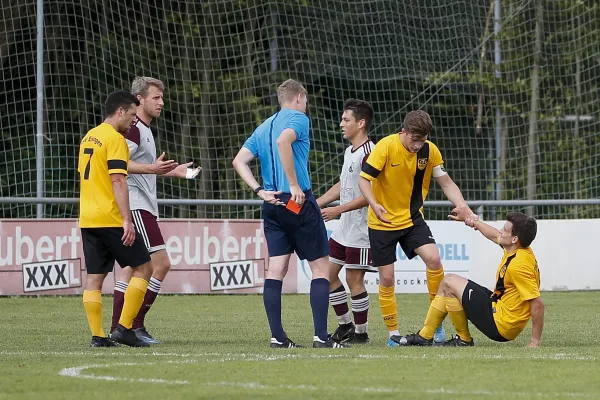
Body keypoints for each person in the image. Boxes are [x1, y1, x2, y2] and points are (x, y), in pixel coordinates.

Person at [232, 79, 345, 349]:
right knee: (320, 269)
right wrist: (294, 185)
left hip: (272, 203)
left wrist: (259, 190)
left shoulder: (264, 126)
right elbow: (285, 141)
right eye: (305, 101)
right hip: (297, 201)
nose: (306, 106)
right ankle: (320, 336)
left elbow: (239, 160)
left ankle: (278, 338)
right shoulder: (298, 118)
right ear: (299, 98)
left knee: (276, 269)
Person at [358, 110, 474, 346]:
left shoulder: (429, 150)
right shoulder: (385, 146)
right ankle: (393, 334)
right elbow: (364, 180)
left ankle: (436, 324)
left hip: (412, 219)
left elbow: (446, 182)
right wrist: (374, 204)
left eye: (422, 140)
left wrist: (463, 207)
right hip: (382, 222)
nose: (417, 145)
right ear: (404, 132)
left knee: (434, 260)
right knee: (387, 278)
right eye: (414, 140)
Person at [110, 77, 201, 344]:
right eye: (156, 98)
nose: (161, 102)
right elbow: (117, 162)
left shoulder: (142, 129)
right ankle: (134, 326)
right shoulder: (134, 129)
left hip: (140, 204)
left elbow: (143, 165)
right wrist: (151, 169)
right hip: (136, 205)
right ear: (139, 99)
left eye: (162, 97)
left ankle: (119, 327)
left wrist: (176, 171)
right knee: (160, 264)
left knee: (130, 270)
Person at [400, 210, 545, 347]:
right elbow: (495, 235)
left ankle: (452, 339)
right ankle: (427, 336)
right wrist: (472, 221)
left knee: (449, 282)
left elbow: (538, 304)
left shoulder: (519, 265)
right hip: (497, 307)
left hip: (501, 324)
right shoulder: (519, 249)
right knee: (449, 286)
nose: (500, 230)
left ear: (514, 239)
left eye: (505, 229)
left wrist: (534, 341)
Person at [78, 91, 153, 348]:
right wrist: (127, 220)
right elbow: (118, 180)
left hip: (88, 218)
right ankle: (123, 328)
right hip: (110, 217)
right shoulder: (115, 139)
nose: (134, 120)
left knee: (95, 278)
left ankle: (98, 336)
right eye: (132, 115)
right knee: (145, 268)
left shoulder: (90, 136)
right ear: (120, 111)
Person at [316, 99, 375, 344]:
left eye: (346, 120)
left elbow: (370, 195)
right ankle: (345, 326)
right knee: (327, 275)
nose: (341, 124)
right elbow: (344, 185)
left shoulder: (370, 153)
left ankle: (361, 334)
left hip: (362, 229)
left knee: (354, 280)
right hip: (344, 227)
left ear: (361, 123)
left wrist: (338, 209)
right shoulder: (349, 151)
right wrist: (315, 204)